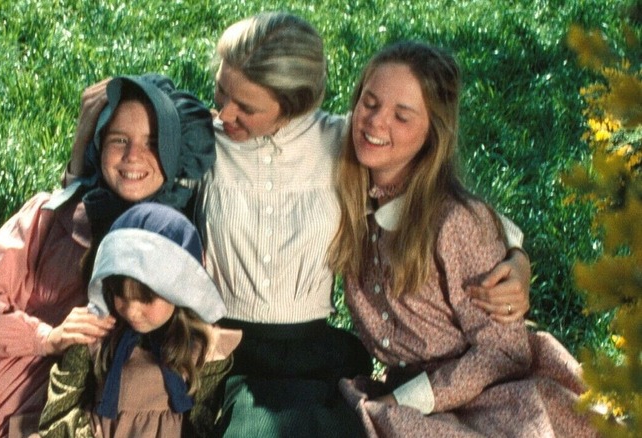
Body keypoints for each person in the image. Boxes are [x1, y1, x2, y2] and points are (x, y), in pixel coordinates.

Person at [65, 12, 532, 437]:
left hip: (314, 354)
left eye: (247, 106)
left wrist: (514, 251)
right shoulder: (204, 141)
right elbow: (128, 163)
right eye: (221, 92)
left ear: (294, 103)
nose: (226, 113)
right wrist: (85, 139)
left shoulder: (342, 144)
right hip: (226, 345)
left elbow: (430, 194)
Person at [0, 74, 216, 438]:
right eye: (118, 140)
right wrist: (46, 336)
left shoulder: (176, 243)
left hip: (78, 397)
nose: (133, 156)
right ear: (99, 144)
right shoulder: (49, 216)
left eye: (153, 143)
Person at [329, 40, 598, 437]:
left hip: (492, 399)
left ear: (432, 134)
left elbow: (503, 350)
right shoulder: (348, 175)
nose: (375, 123)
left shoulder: (455, 223)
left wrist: (406, 401)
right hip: (404, 392)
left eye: (402, 116)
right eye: (369, 103)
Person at [36, 202, 242, 438]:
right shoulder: (96, 335)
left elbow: (204, 420)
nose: (132, 312)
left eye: (147, 299)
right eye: (121, 295)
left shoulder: (204, 348)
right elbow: (60, 405)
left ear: (180, 291)